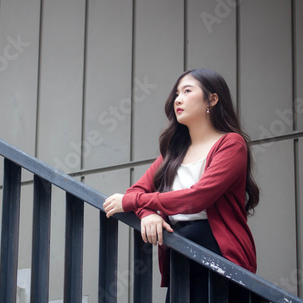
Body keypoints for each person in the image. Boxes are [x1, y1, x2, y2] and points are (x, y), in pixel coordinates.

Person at [103, 68, 259, 302]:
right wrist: (147, 215)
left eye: (187, 91)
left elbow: (196, 198)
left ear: (212, 99)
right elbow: (136, 191)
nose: (178, 99)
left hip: (218, 252)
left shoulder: (231, 144)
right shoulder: (172, 153)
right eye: (176, 93)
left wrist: (135, 203)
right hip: (180, 250)